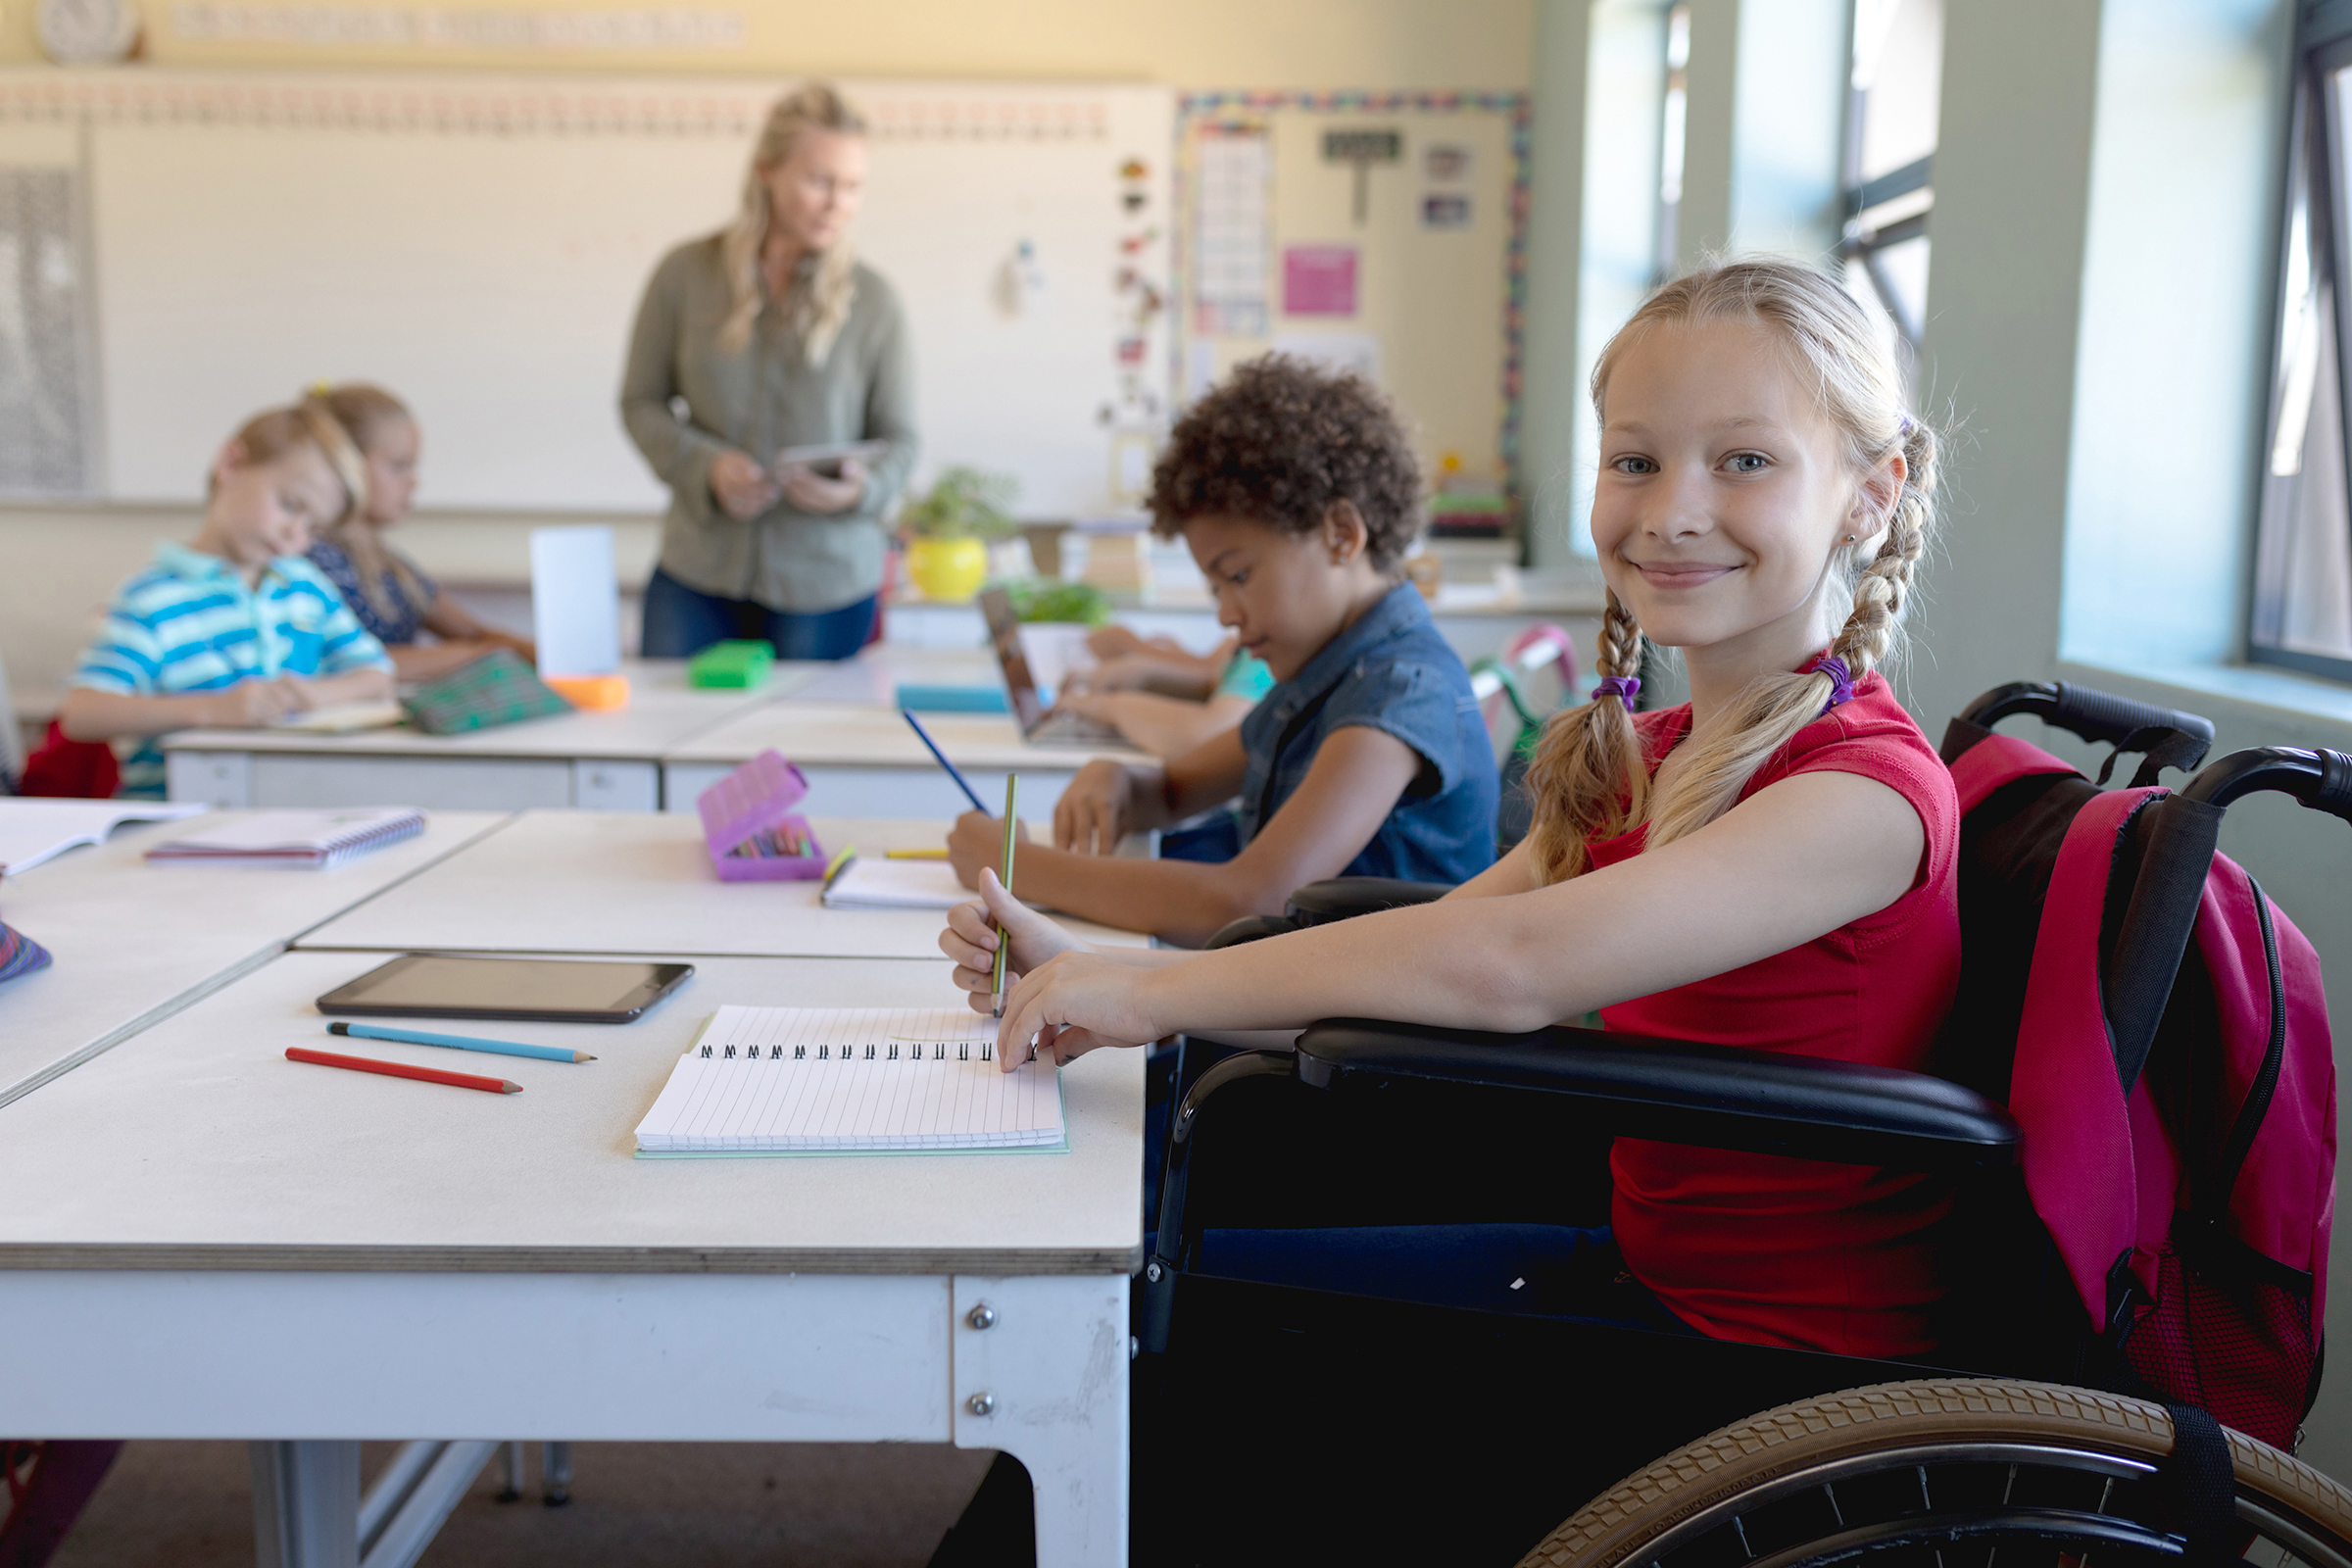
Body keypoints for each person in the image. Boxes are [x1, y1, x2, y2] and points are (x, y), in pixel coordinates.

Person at [943, 258, 1956, 1359]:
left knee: (1143, 1331)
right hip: (1632, 1258)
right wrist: (1104, 975)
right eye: (1635, 461)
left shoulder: (1861, 796)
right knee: (1143, 1291)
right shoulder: (1656, 753)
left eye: (1745, 460)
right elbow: (1430, 951)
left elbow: (1506, 962)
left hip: (1757, 1353)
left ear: (1872, 492)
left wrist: (1157, 994)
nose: (1672, 512)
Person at [943, 356, 1499, 948]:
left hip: (1366, 1035)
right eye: (1216, 588)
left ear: (1341, 534)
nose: (1226, 615)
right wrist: (1121, 780)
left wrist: (1012, 867)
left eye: (1237, 576)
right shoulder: (1329, 668)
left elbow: (1251, 901)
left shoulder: (1401, 690)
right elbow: (1176, 790)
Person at [620, 81, 917, 662]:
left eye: (853, 187)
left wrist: (860, 489)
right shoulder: (684, 275)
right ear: (767, 171)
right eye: (820, 181)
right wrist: (706, 467)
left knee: (799, 751)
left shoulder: (875, 301)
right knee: (674, 739)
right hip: (697, 571)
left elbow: (901, 440)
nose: (838, 203)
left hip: (827, 582)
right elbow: (640, 402)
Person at [59, 403, 396, 798]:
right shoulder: (152, 599)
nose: (295, 535)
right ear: (232, 463)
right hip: (174, 816)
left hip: (285, 807)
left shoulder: (305, 587)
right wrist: (212, 710)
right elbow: (82, 713)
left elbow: (377, 673)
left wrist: (315, 696)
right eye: (290, 505)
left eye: (314, 528)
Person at [300, 383, 536, 682]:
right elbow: (351, 662)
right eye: (399, 466)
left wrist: (543, 656)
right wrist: (485, 655)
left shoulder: (392, 565)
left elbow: (473, 633)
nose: (414, 483)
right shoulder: (312, 561)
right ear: (345, 465)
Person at [1053, 627, 1274, 760]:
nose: (1224, 616)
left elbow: (1207, 735)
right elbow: (1215, 679)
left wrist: (1106, 706)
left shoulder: (1270, 647)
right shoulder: (1250, 643)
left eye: (1238, 577)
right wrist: (1145, 670)